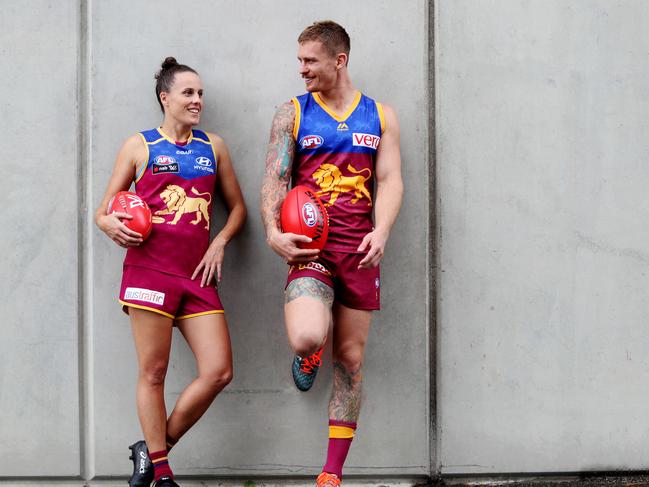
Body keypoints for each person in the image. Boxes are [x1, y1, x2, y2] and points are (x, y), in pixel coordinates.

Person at [260, 21, 403, 487]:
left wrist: (382, 230)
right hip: (311, 249)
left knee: (352, 359)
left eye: (309, 61)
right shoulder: (292, 113)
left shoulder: (380, 116)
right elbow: (274, 180)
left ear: (338, 60)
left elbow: (391, 180)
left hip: (359, 250)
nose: (301, 69)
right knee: (307, 337)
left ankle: (331, 472)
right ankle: (308, 353)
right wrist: (272, 231)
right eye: (299, 60)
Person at [95, 57, 246, 487]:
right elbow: (103, 210)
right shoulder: (138, 146)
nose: (197, 100)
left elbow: (237, 209)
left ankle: (152, 448)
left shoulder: (213, 146)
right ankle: (162, 477)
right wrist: (107, 224)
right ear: (166, 98)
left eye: (200, 93)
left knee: (219, 371)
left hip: (197, 278)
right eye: (188, 93)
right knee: (153, 373)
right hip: (149, 273)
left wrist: (219, 241)